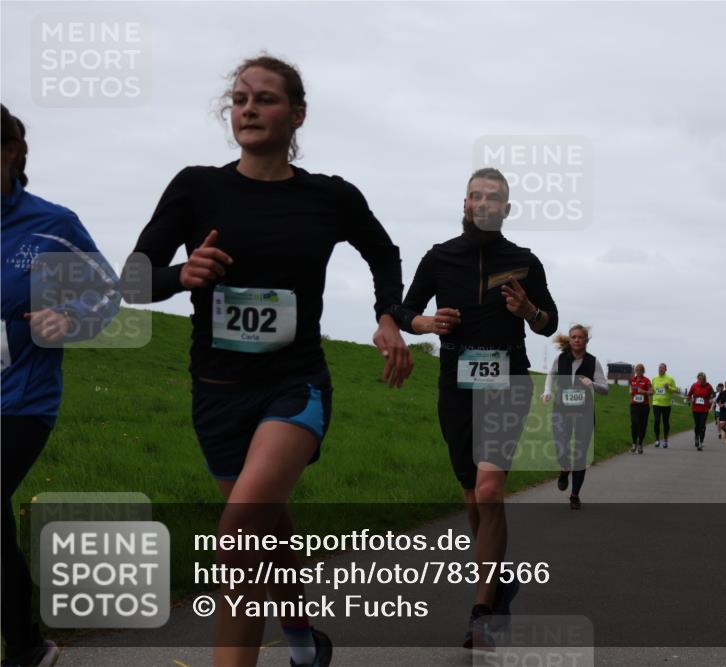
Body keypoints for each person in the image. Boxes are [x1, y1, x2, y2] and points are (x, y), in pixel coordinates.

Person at [123, 56, 412, 667]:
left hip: (294, 384)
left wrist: (388, 316)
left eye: (265, 99)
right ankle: (304, 642)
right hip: (217, 391)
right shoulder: (197, 186)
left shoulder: (329, 197)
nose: (249, 109)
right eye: (239, 99)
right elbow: (132, 279)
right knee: (268, 536)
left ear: (298, 113)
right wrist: (179, 274)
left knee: (238, 537)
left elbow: (383, 253)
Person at [391, 167, 558, 650]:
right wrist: (426, 322)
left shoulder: (525, 262)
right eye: (474, 197)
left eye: (492, 198)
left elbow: (550, 323)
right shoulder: (440, 257)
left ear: (506, 210)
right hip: (455, 384)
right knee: (472, 496)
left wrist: (528, 312)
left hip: (508, 380)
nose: (482, 204)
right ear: (464, 205)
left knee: (489, 490)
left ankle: (482, 612)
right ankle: (498, 580)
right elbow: (404, 311)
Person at [2, 104, 121, 667]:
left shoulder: (51, 225)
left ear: (11, 153)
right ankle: (26, 646)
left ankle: (25, 645)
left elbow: (107, 291)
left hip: (20, 401)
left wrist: (69, 318)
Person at [541, 325, 608, 509]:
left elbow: (605, 389)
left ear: (586, 340)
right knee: (561, 447)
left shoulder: (593, 362)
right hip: (561, 410)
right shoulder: (561, 358)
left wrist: (592, 384)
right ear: (569, 340)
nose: (577, 340)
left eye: (580, 337)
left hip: (583, 413)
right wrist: (547, 391)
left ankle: (574, 495)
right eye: (573, 337)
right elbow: (551, 375)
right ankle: (564, 470)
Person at [686, 373, 715, 451]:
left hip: (704, 409)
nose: (700, 380)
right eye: (699, 379)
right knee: (697, 425)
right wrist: (690, 399)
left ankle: (701, 443)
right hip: (695, 409)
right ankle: (696, 437)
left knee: (702, 426)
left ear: (704, 379)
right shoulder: (694, 385)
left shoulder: (708, 386)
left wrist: (711, 400)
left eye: (701, 379)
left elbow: (713, 395)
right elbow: (689, 395)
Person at [651, 362, 677, 448]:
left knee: (665, 422)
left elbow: (675, 390)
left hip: (666, 404)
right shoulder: (654, 379)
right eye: (659, 368)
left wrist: (668, 387)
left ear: (665, 369)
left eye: (662, 368)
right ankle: (657, 439)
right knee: (657, 421)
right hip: (656, 403)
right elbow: (652, 389)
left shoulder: (670, 379)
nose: (660, 369)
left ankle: (665, 439)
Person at [629, 364, 652, 454]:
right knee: (634, 423)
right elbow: (630, 390)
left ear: (643, 371)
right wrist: (631, 392)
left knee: (643, 425)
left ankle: (640, 444)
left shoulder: (646, 381)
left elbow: (651, 392)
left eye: (640, 370)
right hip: (634, 405)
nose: (638, 372)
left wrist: (644, 392)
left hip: (644, 407)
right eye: (637, 370)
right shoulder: (632, 380)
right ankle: (634, 443)